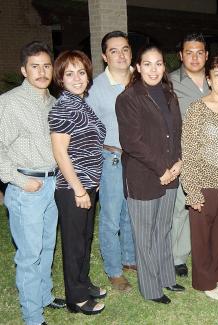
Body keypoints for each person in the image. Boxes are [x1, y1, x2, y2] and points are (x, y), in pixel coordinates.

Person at [0, 41, 66, 325]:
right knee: (29, 255)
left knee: (47, 246)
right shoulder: (10, 102)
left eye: (46, 66)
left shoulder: (52, 102)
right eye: (34, 67)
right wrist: (18, 180)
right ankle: (32, 317)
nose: (41, 72)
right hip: (27, 187)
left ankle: (44, 296)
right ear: (24, 71)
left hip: (52, 184)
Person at [116, 44, 185, 304]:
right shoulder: (128, 98)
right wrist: (162, 169)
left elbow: (177, 132)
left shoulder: (169, 94)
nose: (153, 69)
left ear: (164, 67)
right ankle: (151, 288)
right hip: (144, 177)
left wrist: (178, 162)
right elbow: (132, 141)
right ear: (137, 67)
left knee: (163, 230)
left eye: (158, 63)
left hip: (171, 173)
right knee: (144, 236)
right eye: (147, 64)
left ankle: (167, 277)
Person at [49, 50, 106, 315]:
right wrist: (79, 189)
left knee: (84, 239)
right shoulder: (63, 107)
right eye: (69, 73)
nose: (77, 78)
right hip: (73, 188)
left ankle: (83, 283)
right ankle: (77, 298)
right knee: (74, 244)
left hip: (88, 186)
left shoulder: (81, 103)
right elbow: (60, 153)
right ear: (60, 78)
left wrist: (91, 186)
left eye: (81, 72)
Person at [181, 54, 218, 300]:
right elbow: (189, 150)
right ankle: (205, 281)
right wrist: (192, 189)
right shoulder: (197, 108)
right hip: (204, 182)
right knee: (203, 235)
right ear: (209, 80)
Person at [85, 31, 136, 292]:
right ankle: (114, 271)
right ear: (105, 56)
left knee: (131, 213)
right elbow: (87, 130)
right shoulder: (94, 88)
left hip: (137, 159)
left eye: (125, 49)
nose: (121, 55)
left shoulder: (140, 81)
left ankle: (129, 258)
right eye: (114, 50)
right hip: (111, 158)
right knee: (111, 217)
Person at [169, 33, 210, 277]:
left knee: (208, 208)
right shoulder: (170, 82)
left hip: (213, 157)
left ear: (206, 55)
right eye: (189, 52)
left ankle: (205, 251)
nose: (194, 57)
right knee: (181, 207)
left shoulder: (216, 80)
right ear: (181, 55)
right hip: (184, 156)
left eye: (199, 52)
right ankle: (178, 256)